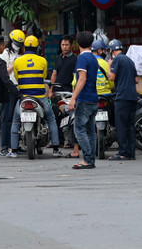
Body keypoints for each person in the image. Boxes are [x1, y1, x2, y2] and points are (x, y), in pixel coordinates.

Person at [9, 35, 61, 156]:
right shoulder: (42, 60)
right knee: (51, 119)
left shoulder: (17, 61)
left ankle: (14, 150)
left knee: (16, 121)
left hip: (24, 96)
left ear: (24, 48)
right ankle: (55, 148)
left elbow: (17, 77)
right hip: (39, 97)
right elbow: (43, 77)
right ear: (38, 48)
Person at [68, 31, 99, 169]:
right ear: (91, 44)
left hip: (85, 99)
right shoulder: (94, 58)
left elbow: (82, 79)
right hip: (94, 98)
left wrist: (73, 98)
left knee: (79, 130)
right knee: (91, 131)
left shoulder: (81, 58)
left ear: (77, 44)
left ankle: (87, 159)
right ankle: (91, 159)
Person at [107, 39, 138, 160]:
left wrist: (110, 66)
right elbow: (136, 80)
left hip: (122, 96)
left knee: (121, 125)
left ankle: (122, 152)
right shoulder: (130, 60)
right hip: (133, 96)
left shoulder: (117, 60)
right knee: (130, 125)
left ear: (111, 50)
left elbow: (111, 77)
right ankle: (131, 152)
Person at [0, 29, 24, 156]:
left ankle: (15, 144)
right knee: (7, 118)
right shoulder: (5, 54)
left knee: (19, 118)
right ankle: (5, 145)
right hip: (9, 88)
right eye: (15, 43)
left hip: (21, 88)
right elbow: (4, 73)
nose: (17, 46)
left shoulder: (22, 54)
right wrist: (14, 64)